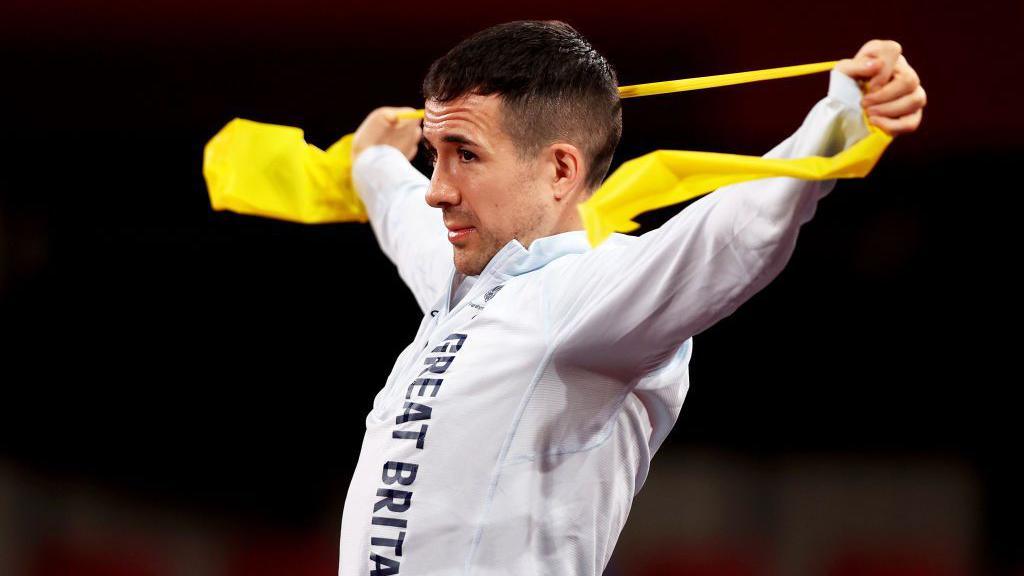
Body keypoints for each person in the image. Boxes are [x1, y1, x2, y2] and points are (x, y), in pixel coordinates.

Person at [339, 20, 925, 576]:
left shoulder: (590, 294)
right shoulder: (463, 283)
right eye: (433, 155)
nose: (437, 191)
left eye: (465, 154)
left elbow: (734, 230)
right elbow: (402, 217)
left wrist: (843, 118)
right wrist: (376, 162)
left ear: (561, 170)